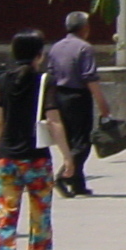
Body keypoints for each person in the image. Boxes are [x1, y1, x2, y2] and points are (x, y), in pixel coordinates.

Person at [0, 30, 68, 250]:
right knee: (40, 215)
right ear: (38, 56)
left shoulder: (4, 81)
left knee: (6, 216)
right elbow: (53, 121)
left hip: (7, 159)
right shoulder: (45, 81)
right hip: (37, 160)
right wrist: (68, 155)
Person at [48, 10, 109, 197]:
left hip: (58, 96)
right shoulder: (85, 48)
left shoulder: (55, 48)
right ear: (85, 28)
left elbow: (50, 75)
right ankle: (64, 174)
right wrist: (102, 103)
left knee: (70, 140)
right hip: (78, 97)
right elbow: (89, 77)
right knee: (82, 142)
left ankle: (78, 183)